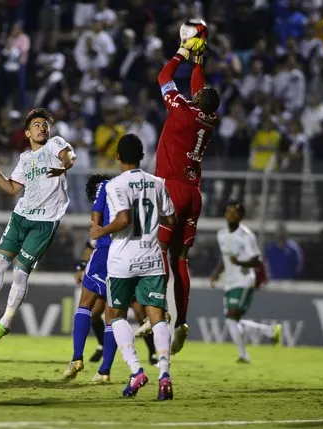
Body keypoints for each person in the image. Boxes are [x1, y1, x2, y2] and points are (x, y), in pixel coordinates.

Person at [0, 108, 77, 343]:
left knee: (19, 272)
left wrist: (64, 166)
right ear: (27, 133)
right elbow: (12, 189)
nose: (42, 127)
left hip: (44, 222)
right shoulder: (25, 158)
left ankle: (5, 322)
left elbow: (70, 157)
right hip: (21, 216)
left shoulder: (54, 144)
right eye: (36, 125)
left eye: (44, 124)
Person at [146, 34, 221, 355]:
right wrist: (199, 63)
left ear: (198, 98)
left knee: (159, 249)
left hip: (171, 188)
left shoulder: (181, 110)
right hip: (194, 192)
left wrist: (181, 53)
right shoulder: (209, 117)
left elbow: (164, 77)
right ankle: (182, 321)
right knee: (181, 259)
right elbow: (200, 89)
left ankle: (158, 311)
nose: (197, 90)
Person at [90, 134, 176, 400]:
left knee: (114, 315)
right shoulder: (157, 183)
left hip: (123, 261)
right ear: (142, 156)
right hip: (151, 259)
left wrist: (101, 230)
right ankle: (164, 375)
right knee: (156, 316)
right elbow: (171, 219)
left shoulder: (115, 185)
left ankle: (137, 371)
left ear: (117, 157)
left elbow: (124, 219)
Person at [210, 200, 282, 363]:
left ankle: (244, 355)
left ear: (241, 216)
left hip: (244, 280)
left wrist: (241, 263)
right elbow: (225, 258)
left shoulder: (246, 236)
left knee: (231, 318)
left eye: (235, 213)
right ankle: (269, 332)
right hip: (229, 281)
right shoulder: (221, 234)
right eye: (228, 212)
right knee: (233, 321)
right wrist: (216, 273)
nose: (231, 215)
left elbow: (257, 261)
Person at [64, 174, 117, 383]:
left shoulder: (104, 187)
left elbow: (93, 236)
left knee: (85, 304)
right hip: (128, 255)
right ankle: (105, 371)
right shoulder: (131, 188)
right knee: (113, 314)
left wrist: (83, 266)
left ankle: (77, 358)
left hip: (106, 251)